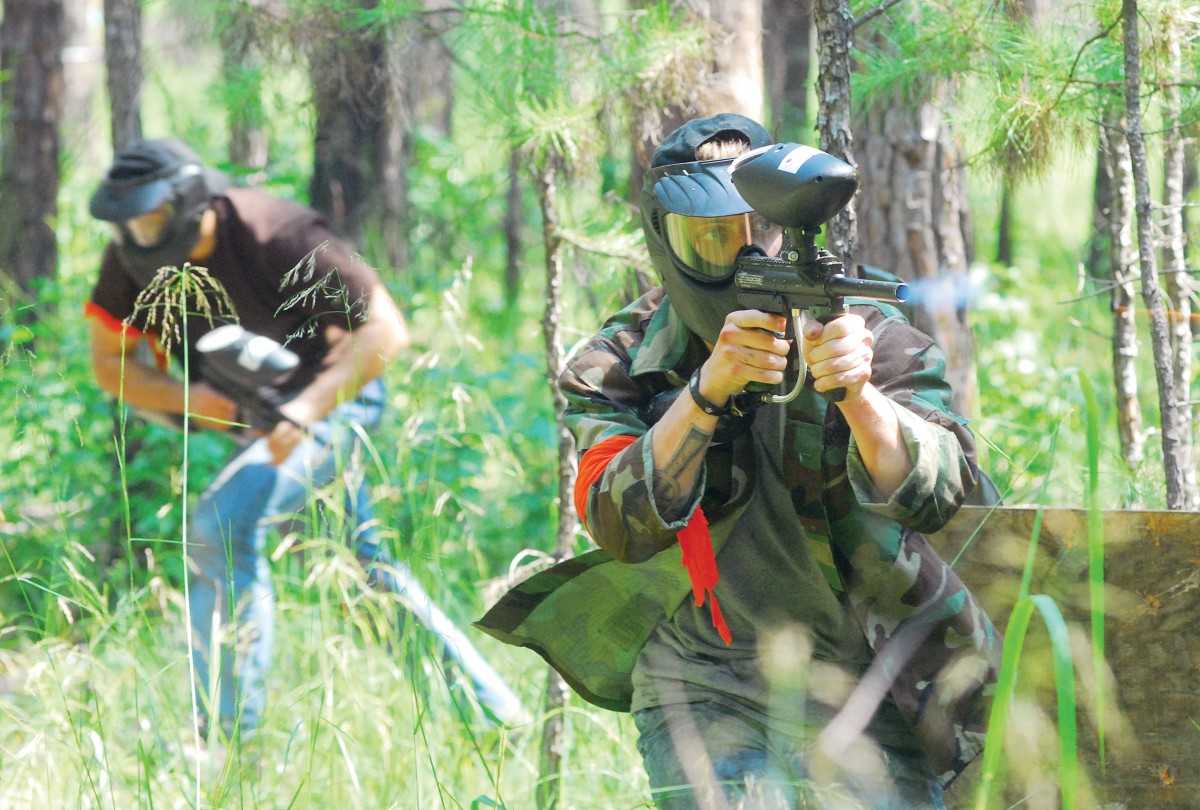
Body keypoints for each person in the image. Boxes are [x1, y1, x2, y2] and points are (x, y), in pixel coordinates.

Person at [477, 114, 1000, 808]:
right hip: (702, 679)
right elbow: (616, 520)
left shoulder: (868, 336)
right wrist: (704, 395)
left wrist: (859, 399)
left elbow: (948, 491)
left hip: (868, 679)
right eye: (713, 238)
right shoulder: (620, 364)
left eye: (759, 230)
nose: (743, 257)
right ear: (665, 242)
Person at [86, 138, 525, 742]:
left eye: (150, 217)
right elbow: (110, 364)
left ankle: (225, 744)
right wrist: (197, 404)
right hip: (261, 420)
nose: (138, 232)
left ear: (188, 202)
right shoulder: (134, 259)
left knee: (220, 524)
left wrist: (304, 412)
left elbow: (387, 333)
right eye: (127, 222)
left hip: (338, 398)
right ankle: (499, 722)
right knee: (361, 573)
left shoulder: (276, 233)